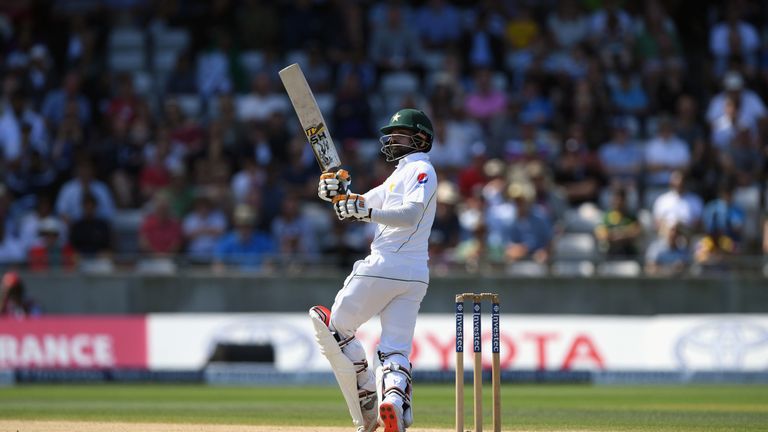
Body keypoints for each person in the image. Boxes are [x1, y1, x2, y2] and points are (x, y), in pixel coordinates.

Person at [310, 108, 437, 432]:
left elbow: (408, 215)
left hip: (385, 264)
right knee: (394, 349)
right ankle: (392, 402)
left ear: (420, 138)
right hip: (415, 276)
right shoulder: (398, 175)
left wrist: (362, 209)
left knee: (332, 329)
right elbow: (357, 204)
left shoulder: (421, 168)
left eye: (398, 134)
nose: (390, 139)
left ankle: (366, 395)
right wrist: (336, 193)